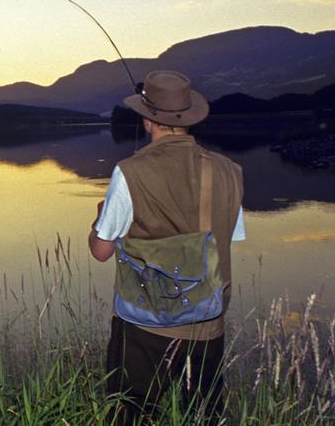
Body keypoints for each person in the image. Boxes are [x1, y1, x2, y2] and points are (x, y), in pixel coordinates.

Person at [88, 69, 245, 422]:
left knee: (132, 413)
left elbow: (101, 251)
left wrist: (100, 220)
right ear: (189, 117)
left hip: (144, 325)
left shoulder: (129, 172)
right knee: (203, 415)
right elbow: (227, 238)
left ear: (147, 120)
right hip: (207, 320)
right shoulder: (229, 170)